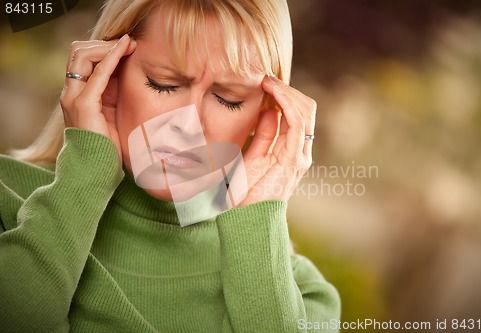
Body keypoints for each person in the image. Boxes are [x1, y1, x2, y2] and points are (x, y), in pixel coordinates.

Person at [0, 0, 340, 331]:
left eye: (228, 99)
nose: (188, 124)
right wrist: (87, 169)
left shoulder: (302, 298)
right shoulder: (7, 201)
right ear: (107, 74)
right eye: (164, 83)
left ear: (264, 114)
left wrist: (256, 210)